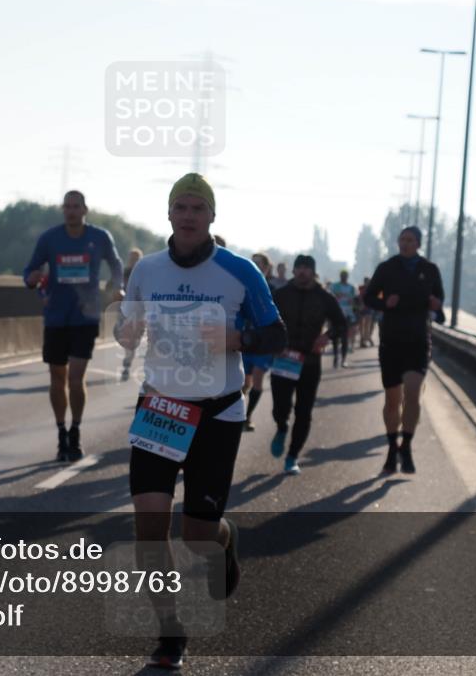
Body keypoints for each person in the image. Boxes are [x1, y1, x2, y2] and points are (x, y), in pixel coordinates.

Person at [116, 173, 285, 669]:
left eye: (197, 208)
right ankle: (171, 632)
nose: (188, 216)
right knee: (149, 525)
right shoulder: (147, 269)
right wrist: (127, 330)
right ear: (169, 213)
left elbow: (276, 335)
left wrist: (236, 340)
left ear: (212, 216)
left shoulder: (239, 270)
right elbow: (125, 328)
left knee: (196, 535)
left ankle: (223, 539)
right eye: (181, 207)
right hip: (160, 407)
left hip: (217, 411)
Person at [23, 190, 123, 462]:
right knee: (57, 378)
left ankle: (76, 430)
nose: (71, 211)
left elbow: (116, 264)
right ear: (63, 210)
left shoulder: (99, 237)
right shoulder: (50, 238)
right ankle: (61, 433)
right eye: (67, 206)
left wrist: (117, 286)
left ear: (84, 209)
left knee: (76, 377)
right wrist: (31, 279)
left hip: (85, 318)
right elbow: (29, 270)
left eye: (76, 206)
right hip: (56, 317)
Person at [363, 226, 444, 474]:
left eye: (409, 240)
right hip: (391, 341)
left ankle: (406, 446)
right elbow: (368, 298)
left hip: (418, 341)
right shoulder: (387, 268)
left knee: (413, 393)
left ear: (418, 243)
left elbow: (440, 307)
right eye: (402, 240)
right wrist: (384, 303)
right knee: (392, 400)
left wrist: (436, 305)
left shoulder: (430, 270)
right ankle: (391, 447)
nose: (404, 244)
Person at [269, 255, 346, 474]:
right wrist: (274, 342)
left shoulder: (324, 297)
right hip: (284, 358)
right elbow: (266, 320)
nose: (302, 271)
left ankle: (292, 457)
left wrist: (326, 337)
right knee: (280, 408)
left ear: (313, 272)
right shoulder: (281, 294)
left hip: (309, 362)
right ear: (293, 271)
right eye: (299, 268)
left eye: (306, 268)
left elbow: (341, 324)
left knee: (304, 411)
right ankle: (282, 427)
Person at [241, 253, 274, 431]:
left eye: (259, 263)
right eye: (252, 263)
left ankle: (247, 417)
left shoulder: (273, 289)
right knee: (245, 383)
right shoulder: (241, 286)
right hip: (244, 342)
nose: (255, 266)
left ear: (267, 268)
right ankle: (239, 411)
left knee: (257, 378)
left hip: (264, 344)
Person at [119, 247, 143, 382]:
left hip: (139, 312)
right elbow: (118, 288)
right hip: (125, 309)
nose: (134, 260)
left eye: (136, 258)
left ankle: (127, 363)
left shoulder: (144, 272)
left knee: (133, 341)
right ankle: (127, 361)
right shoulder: (124, 272)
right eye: (132, 258)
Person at [329, 270, 358, 368]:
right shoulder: (334, 286)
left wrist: (352, 304)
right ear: (340, 276)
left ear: (347, 276)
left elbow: (354, 300)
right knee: (335, 337)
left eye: (345, 275)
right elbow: (330, 297)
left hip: (347, 315)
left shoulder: (351, 287)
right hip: (335, 314)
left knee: (345, 337)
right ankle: (335, 356)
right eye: (342, 275)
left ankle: (343, 359)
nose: (344, 277)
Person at [358, 276, 375, 347]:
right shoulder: (362, 288)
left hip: (368, 308)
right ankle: (363, 339)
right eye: (366, 281)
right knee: (363, 325)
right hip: (363, 308)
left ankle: (366, 338)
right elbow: (360, 297)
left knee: (367, 325)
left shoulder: (371, 288)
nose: (367, 283)